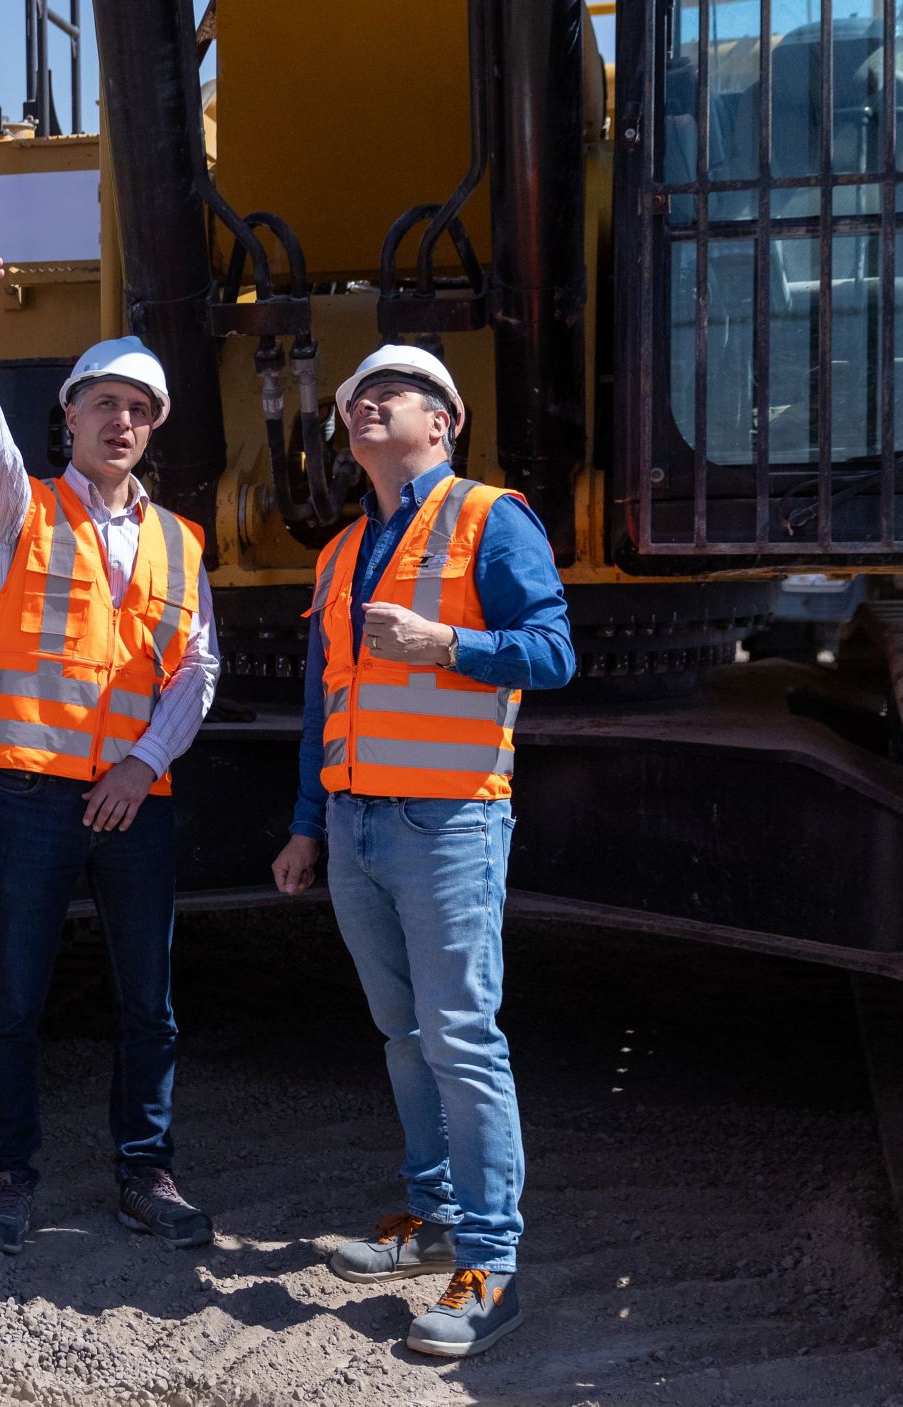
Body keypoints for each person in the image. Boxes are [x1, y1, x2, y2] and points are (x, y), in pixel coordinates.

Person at [268, 344, 574, 1356]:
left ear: (440, 423)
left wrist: (446, 646)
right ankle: (430, 1224)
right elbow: (326, 704)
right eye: (353, 399)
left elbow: (554, 651)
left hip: (447, 823)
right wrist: (308, 825)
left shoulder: (491, 518)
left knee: (460, 1039)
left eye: (385, 395)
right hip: (357, 827)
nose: (360, 406)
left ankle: (488, 1269)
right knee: (403, 1038)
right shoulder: (340, 553)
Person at [0, 246, 219, 1255]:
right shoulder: (23, 512)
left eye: (138, 409)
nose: (121, 422)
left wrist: (143, 763)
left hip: (133, 802)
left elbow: (195, 668)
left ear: (153, 428)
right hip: (31, 799)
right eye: (102, 402)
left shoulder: (181, 543)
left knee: (147, 1004)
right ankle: (8, 1177)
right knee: (13, 1000)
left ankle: (145, 1174)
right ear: (67, 415)